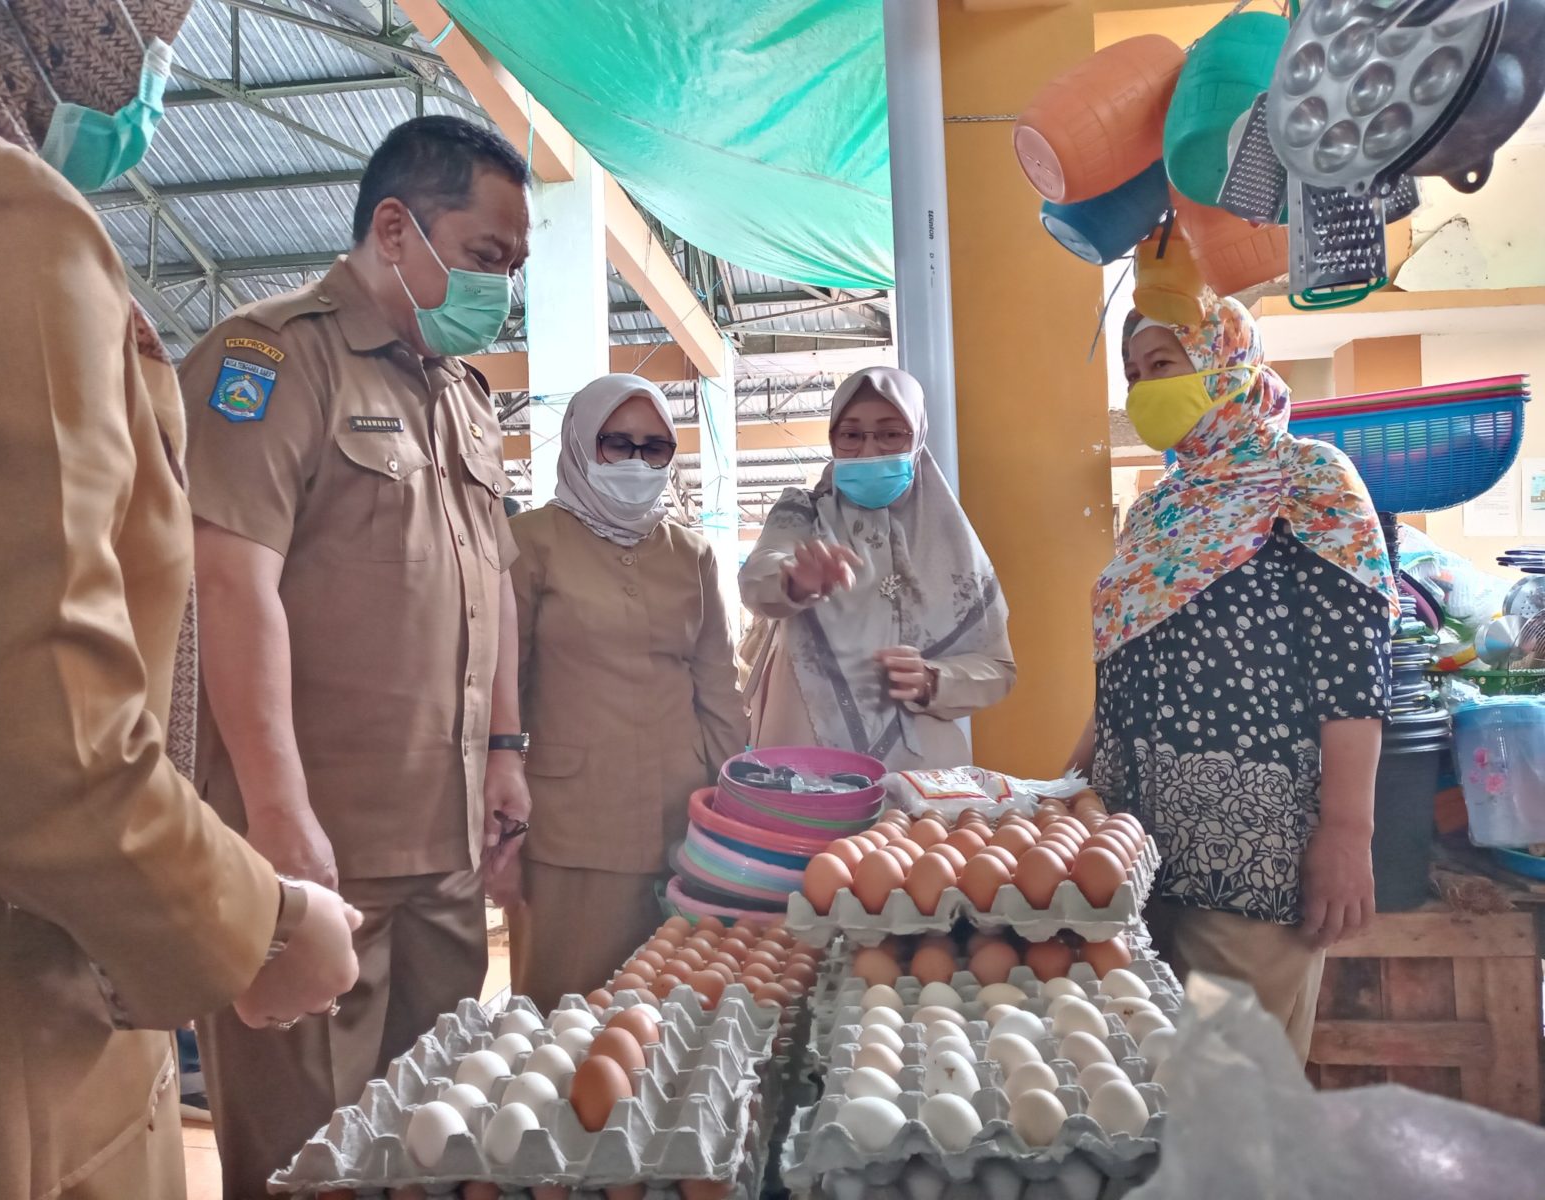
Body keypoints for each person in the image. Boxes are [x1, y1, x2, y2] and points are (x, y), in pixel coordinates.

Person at [0, 3, 361, 1197]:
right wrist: (251, 930)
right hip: (9, 1015)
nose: (148, 74)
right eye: (142, 26)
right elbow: (39, 738)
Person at [178, 115, 533, 1196]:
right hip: (312, 856)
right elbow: (226, 583)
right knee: (307, 1156)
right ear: (395, 228)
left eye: (514, 269)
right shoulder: (272, 358)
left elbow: (494, 582)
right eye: (485, 258)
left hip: (444, 854)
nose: (500, 290)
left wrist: (507, 748)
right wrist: (278, 814)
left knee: (434, 1136)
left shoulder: (466, 401)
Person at [1069, 298, 1395, 1060]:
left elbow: (1352, 666)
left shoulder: (1307, 478)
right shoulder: (1156, 509)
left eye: (1163, 365)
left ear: (1226, 361)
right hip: (1131, 846)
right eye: (1134, 373)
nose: (1145, 388)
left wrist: (1349, 830)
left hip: (1250, 852)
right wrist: (1069, 779)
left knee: (1230, 1103)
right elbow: (1125, 659)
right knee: (1144, 1087)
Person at [507, 375, 748, 1005]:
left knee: (669, 1005)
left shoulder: (691, 553)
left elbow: (718, 685)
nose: (638, 462)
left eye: (655, 448)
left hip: (682, 821)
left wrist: (736, 808)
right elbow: (504, 684)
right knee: (562, 1013)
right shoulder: (530, 543)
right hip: (567, 827)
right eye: (617, 444)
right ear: (583, 444)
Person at [739, 366, 1015, 768]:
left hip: (919, 777)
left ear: (917, 437)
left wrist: (933, 679)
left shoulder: (950, 538)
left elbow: (998, 670)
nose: (868, 451)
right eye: (851, 435)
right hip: (806, 763)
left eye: (890, 434)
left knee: (922, 836)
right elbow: (756, 579)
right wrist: (794, 581)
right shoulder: (802, 512)